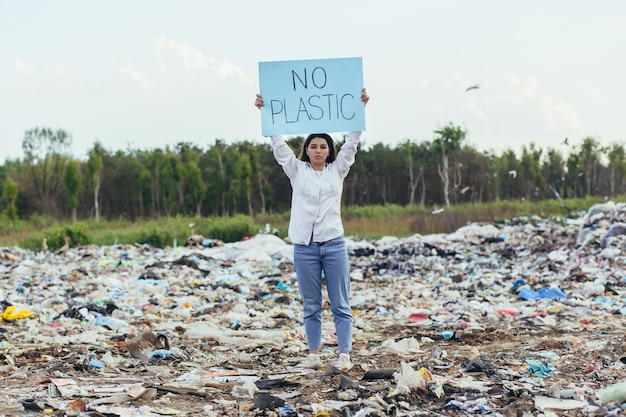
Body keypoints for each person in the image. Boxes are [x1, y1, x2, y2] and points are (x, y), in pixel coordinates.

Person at [255, 88, 370, 371]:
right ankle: (314, 353)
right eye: (313, 146)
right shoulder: (296, 170)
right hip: (304, 247)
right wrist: (265, 110)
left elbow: (352, 142)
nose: (318, 151)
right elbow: (278, 144)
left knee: (340, 302)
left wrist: (359, 107)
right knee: (311, 304)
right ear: (306, 150)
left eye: (323, 147)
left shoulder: (338, 169)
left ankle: (344, 353)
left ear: (330, 151)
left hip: (333, 244)